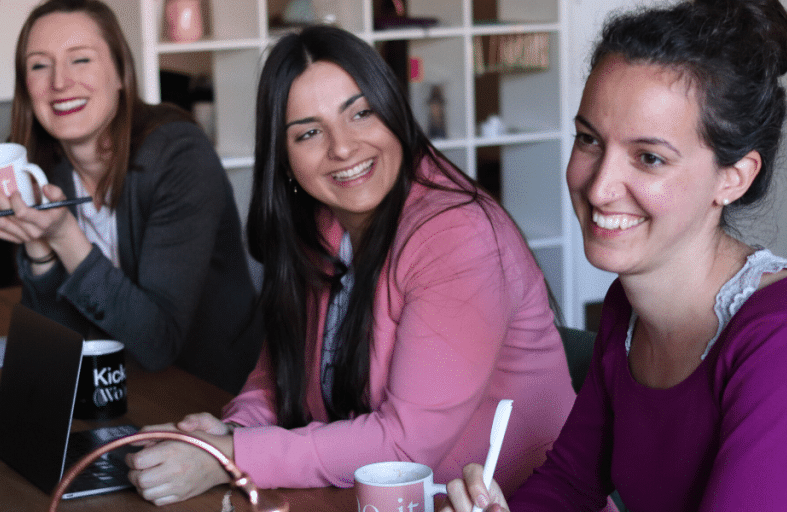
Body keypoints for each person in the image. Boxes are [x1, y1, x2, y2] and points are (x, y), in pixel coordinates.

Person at [442, 0, 787, 510]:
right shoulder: (627, 308)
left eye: (648, 158)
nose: (600, 186)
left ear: (733, 178)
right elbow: (568, 485)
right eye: (588, 139)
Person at [124, 25, 577, 506]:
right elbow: (276, 377)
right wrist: (229, 430)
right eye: (310, 132)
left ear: (394, 112)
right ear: (285, 157)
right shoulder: (322, 223)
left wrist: (229, 455)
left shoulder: (457, 235)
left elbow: (405, 445)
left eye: (361, 113)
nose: (342, 148)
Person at [0, 0, 262, 395]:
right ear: (26, 88)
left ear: (121, 73)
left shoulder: (179, 156)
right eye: (39, 65)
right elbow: (58, 346)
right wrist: (38, 245)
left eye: (81, 60)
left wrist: (65, 236)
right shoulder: (43, 171)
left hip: (211, 396)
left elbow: (158, 343)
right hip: (115, 390)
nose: (59, 82)